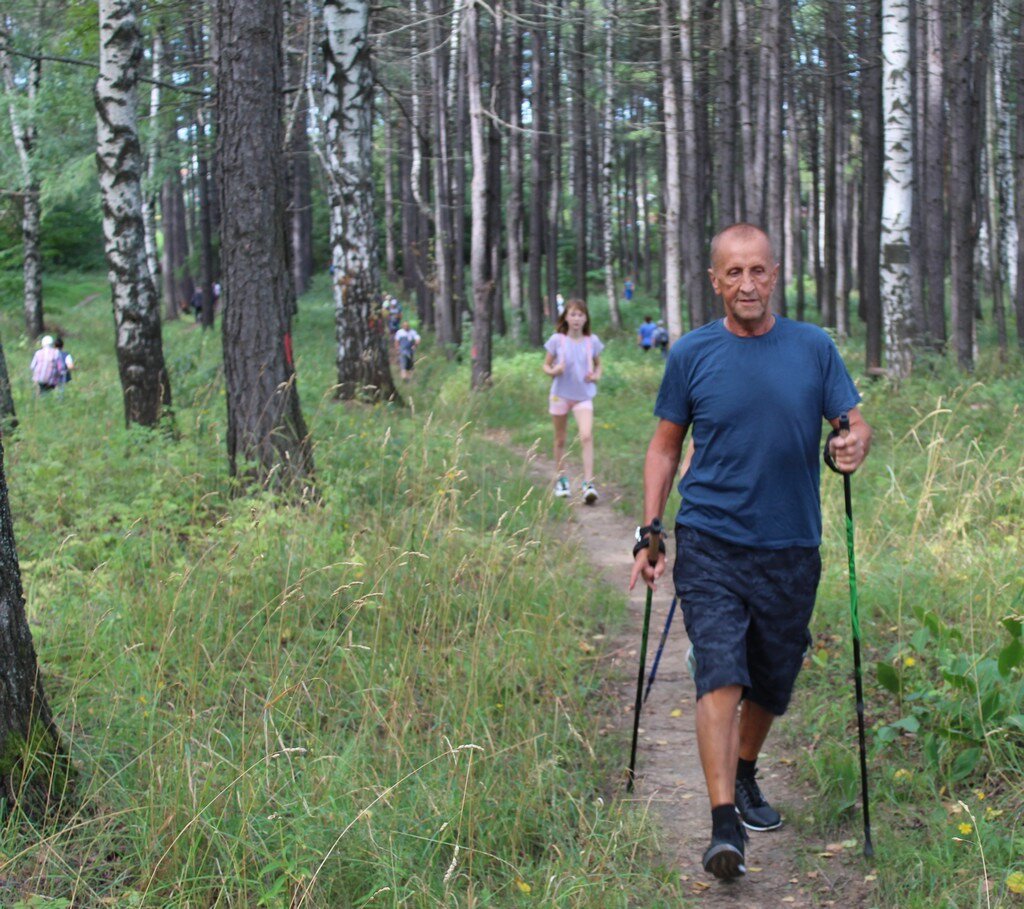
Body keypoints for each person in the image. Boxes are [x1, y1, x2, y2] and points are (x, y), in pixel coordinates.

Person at [629, 223, 871, 882]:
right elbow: (664, 446)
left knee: (772, 677)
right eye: (733, 272)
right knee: (721, 672)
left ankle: (743, 769)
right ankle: (722, 824)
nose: (747, 284)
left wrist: (850, 445)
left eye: (758, 270)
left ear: (775, 274)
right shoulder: (693, 354)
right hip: (710, 536)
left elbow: (850, 422)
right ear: (714, 281)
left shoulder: (813, 347)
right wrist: (651, 527)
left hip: (791, 541)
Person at [542, 298, 604, 504]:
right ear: (566, 318)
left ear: (586, 318)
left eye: (580, 315)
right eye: (573, 314)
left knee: (586, 436)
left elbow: (598, 366)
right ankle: (562, 480)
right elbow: (546, 366)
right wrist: (554, 370)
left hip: (583, 395)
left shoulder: (591, 341)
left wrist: (595, 375)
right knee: (560, 439)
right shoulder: (557, 340)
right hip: (560, 394)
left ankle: (588, 483)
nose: (576, 319)